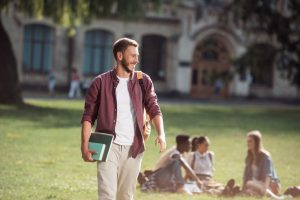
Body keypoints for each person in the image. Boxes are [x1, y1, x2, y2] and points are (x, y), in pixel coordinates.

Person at [80, 37, 166, 200]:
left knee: (125, 196)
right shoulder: (100, 82)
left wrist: (161, 133)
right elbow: (88, 117)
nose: (136, 60)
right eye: (132, 56)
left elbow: (154, 107)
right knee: (107, 195)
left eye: (137, 55)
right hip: (107, 146)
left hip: (134, 147)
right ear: (120, 56)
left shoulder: (143, 80)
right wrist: (84, 146)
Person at [243, 130, 280, 197]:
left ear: (257, 142)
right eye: (247, 141)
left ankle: (276, 198)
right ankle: (264, 195)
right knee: (248, 191)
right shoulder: (249, 157)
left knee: (249, 183)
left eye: (250, 141)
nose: (248, 143)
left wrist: (265, 188)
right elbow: (246, 176)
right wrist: (243, 189)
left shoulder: (265, 156)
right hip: (256, 185)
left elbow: (268, 175)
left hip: (270, 184)